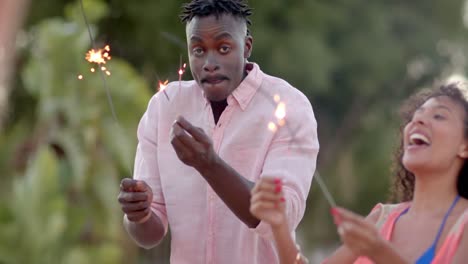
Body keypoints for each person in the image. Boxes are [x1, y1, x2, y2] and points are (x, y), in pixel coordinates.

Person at [117, 0, 319, 263]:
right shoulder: (164, 108)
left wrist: (209, 165)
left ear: (246, 47)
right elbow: (149, 235)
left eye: (224, 48)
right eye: (198, 50)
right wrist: (138, 214)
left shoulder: (288, 106)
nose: (209, 63)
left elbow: (281, 215)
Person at [250, 83, 468, 264]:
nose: (417, 121)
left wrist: (381, 253)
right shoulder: (382, 219)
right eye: (416, 116)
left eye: (439, 116)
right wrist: (280, 226)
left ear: (465, 146)